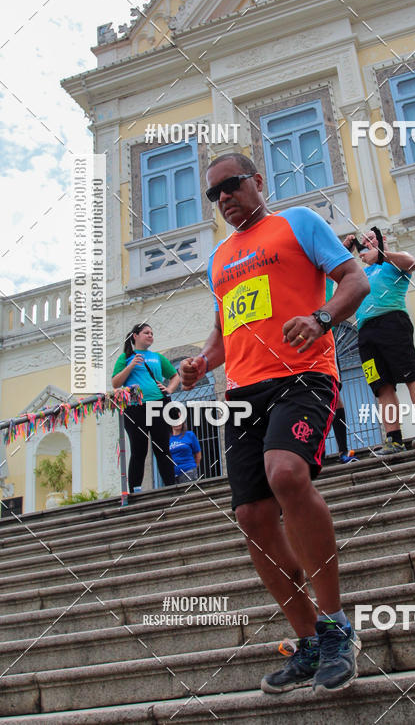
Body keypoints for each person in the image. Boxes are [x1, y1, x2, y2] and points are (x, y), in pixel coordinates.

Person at [179, 152, 369, 695]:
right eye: (214, 195)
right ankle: (308, 640)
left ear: (257, 182)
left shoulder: (299, 222)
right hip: (242, 392)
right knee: (251, 516)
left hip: (303, 375)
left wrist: (321, 318)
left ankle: (336, 627)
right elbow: (222, 336)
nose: (223, 199)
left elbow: (355, 281)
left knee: (286, 473)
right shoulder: (219, 259)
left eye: (231, 186)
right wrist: (200, 364)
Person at [344, 230, 415, 454]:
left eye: (372, 238)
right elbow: (333, 273)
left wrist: (381, 254)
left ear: (382, 240)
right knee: (381, 386)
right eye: (364, 241)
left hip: (392, 322)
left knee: (411, 374)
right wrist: (345, 248)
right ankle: (394, 439)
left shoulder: (393, 263)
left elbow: (412, 262)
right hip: (365, 332)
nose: (367, 243)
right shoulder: (361, 273)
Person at [111, 323, 179, 492]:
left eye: (152, 333)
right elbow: (115, 383)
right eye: (146, 333)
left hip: (157, 404)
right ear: (135, 336)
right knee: (138, 449)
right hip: (134, 407)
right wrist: (131, 364)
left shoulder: (157, 357)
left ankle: (171, 486)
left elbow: (175, 376)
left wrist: (169, 389)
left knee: (162, 447)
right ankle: (134, 489)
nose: (150, 335)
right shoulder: (125, 357)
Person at [326, 277, 357, 464]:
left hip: (324, 340)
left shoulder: (324, 269)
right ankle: (314, 452)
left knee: (334, 396)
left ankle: (343, 450)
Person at [170, 419, 202, 484]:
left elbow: (198, 454)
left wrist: (193, 468)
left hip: (189, 471)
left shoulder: (190, 435)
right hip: (172, 475)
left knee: (190, 493)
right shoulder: (167, 439)